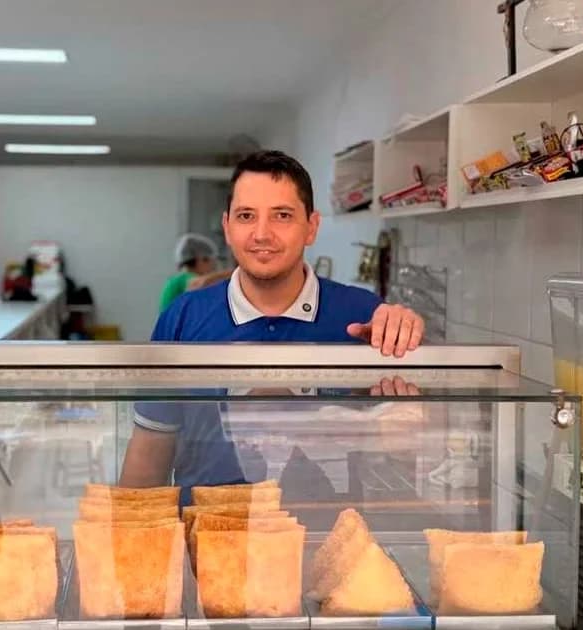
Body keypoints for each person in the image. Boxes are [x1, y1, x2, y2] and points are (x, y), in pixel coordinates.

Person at [120, 150, 425, 497]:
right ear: (227, 227)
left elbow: (410, 442)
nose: (262, 234)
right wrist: (126, 526)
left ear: (311, 227)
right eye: (246, 216)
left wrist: (405, 338)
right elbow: (150, 450)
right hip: (204, 527)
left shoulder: (363, 316)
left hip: (329, 528)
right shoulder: (183, 318)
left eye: (282, 215)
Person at [157, 234, 231, 312]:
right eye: (211, 261)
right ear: (201, 260)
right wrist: (235, 272)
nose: (213, 267)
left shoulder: (174, 280)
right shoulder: (183, 279)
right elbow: (200, 283)